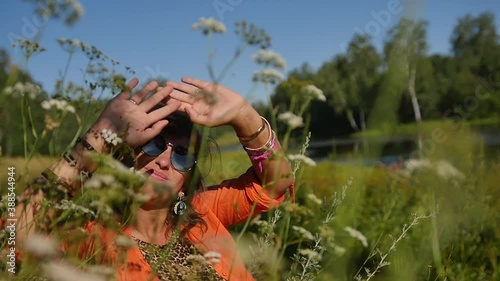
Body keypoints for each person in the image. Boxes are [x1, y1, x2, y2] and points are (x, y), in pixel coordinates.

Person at [10, 77, 294, 281]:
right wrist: (99, 137)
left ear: (188, 179)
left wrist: (244, 116)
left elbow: (274, 184)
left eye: (181, 155)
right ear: (126, 155)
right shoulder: (88, 236)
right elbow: (12, 237)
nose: (164, 159)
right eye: (153, 144)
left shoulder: (205, 213)